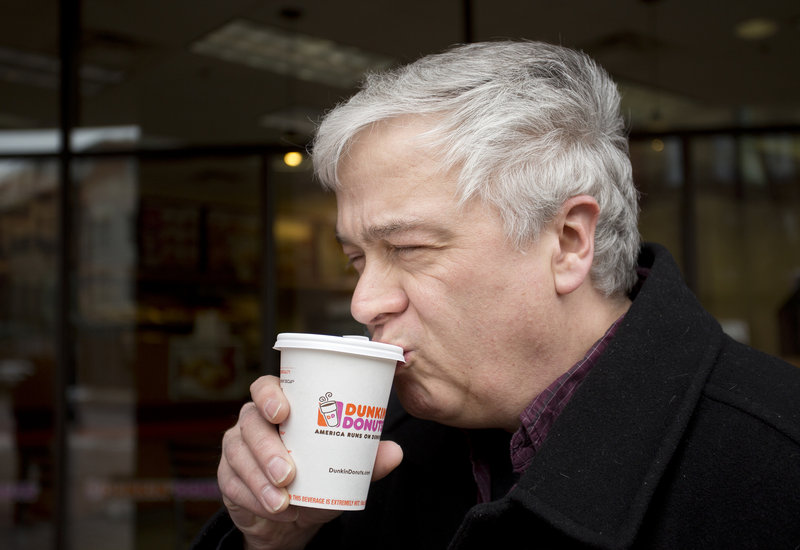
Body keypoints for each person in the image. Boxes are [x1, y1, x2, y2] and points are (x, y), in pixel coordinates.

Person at [192, 40, 800, 549]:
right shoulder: (378, 447)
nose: (362, 302)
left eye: (407, 249)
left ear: (566, 242)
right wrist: (271, 541)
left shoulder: (776, 461)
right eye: (356, 258)